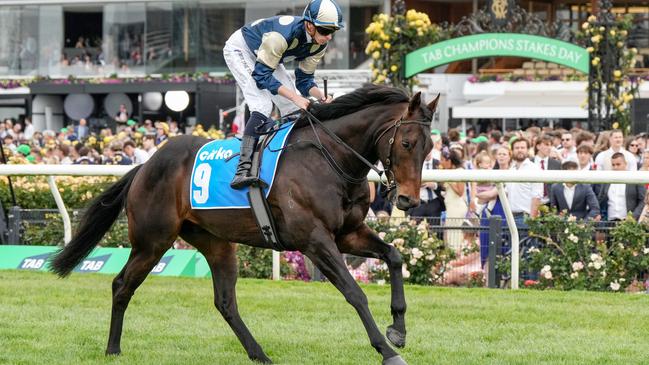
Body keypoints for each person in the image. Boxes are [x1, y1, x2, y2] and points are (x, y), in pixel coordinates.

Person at [223, 0, 343, 189]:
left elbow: (304, 81)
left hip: (268, 57)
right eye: (325, 31)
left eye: (332, 32)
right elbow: (262, 77)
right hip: (242, 49)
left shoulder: (319, 44)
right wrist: (295, 96)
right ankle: (242, 169)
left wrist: (320, 96)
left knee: (294, 108)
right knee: (263, 105)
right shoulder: (280, 36)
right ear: (309, 25)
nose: (328, 37)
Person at [595, 152, 646, 221]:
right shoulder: (607, 180)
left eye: (618, 164)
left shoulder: (635, 179)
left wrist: (633, 216)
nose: (615, 167)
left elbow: (643, 200)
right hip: (609, 222)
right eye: (613, 165)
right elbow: (600, 200)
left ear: (625, 164)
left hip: (629, 223)